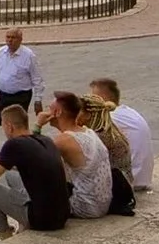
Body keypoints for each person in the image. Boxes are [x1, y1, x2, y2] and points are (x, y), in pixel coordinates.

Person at [0, 104, 68, 237]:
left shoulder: (14, 144)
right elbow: (29, 161)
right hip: (62, 214)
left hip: (42, 220)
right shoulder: (45, 140)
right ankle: (20, 224)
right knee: (10, 175)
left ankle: (4, 233)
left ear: (9, 126)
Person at [43, 91, 113, 220]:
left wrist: (38, 125)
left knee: (19, 177)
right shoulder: (89, 131)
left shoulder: (63, 140)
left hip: (85, 206)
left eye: (49, 108)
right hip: (102, 204)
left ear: (57, 113)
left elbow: (30, 156)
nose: (46, 111)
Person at [89, 78, 154, 192]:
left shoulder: (108, 118)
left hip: (128, 181)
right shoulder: (129, 112)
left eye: (93, 97)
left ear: (102, 99)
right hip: (142, 177)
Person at [0, 27, 45, 125]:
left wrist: (38, 100)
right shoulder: (1, 52)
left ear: (20, 40)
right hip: (4, 95)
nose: (10, 40)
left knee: (19, 123)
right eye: (8, 37)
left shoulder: (28, 55)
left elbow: (37, 79)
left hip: (21, 96)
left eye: (13, 38)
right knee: (7, 123)